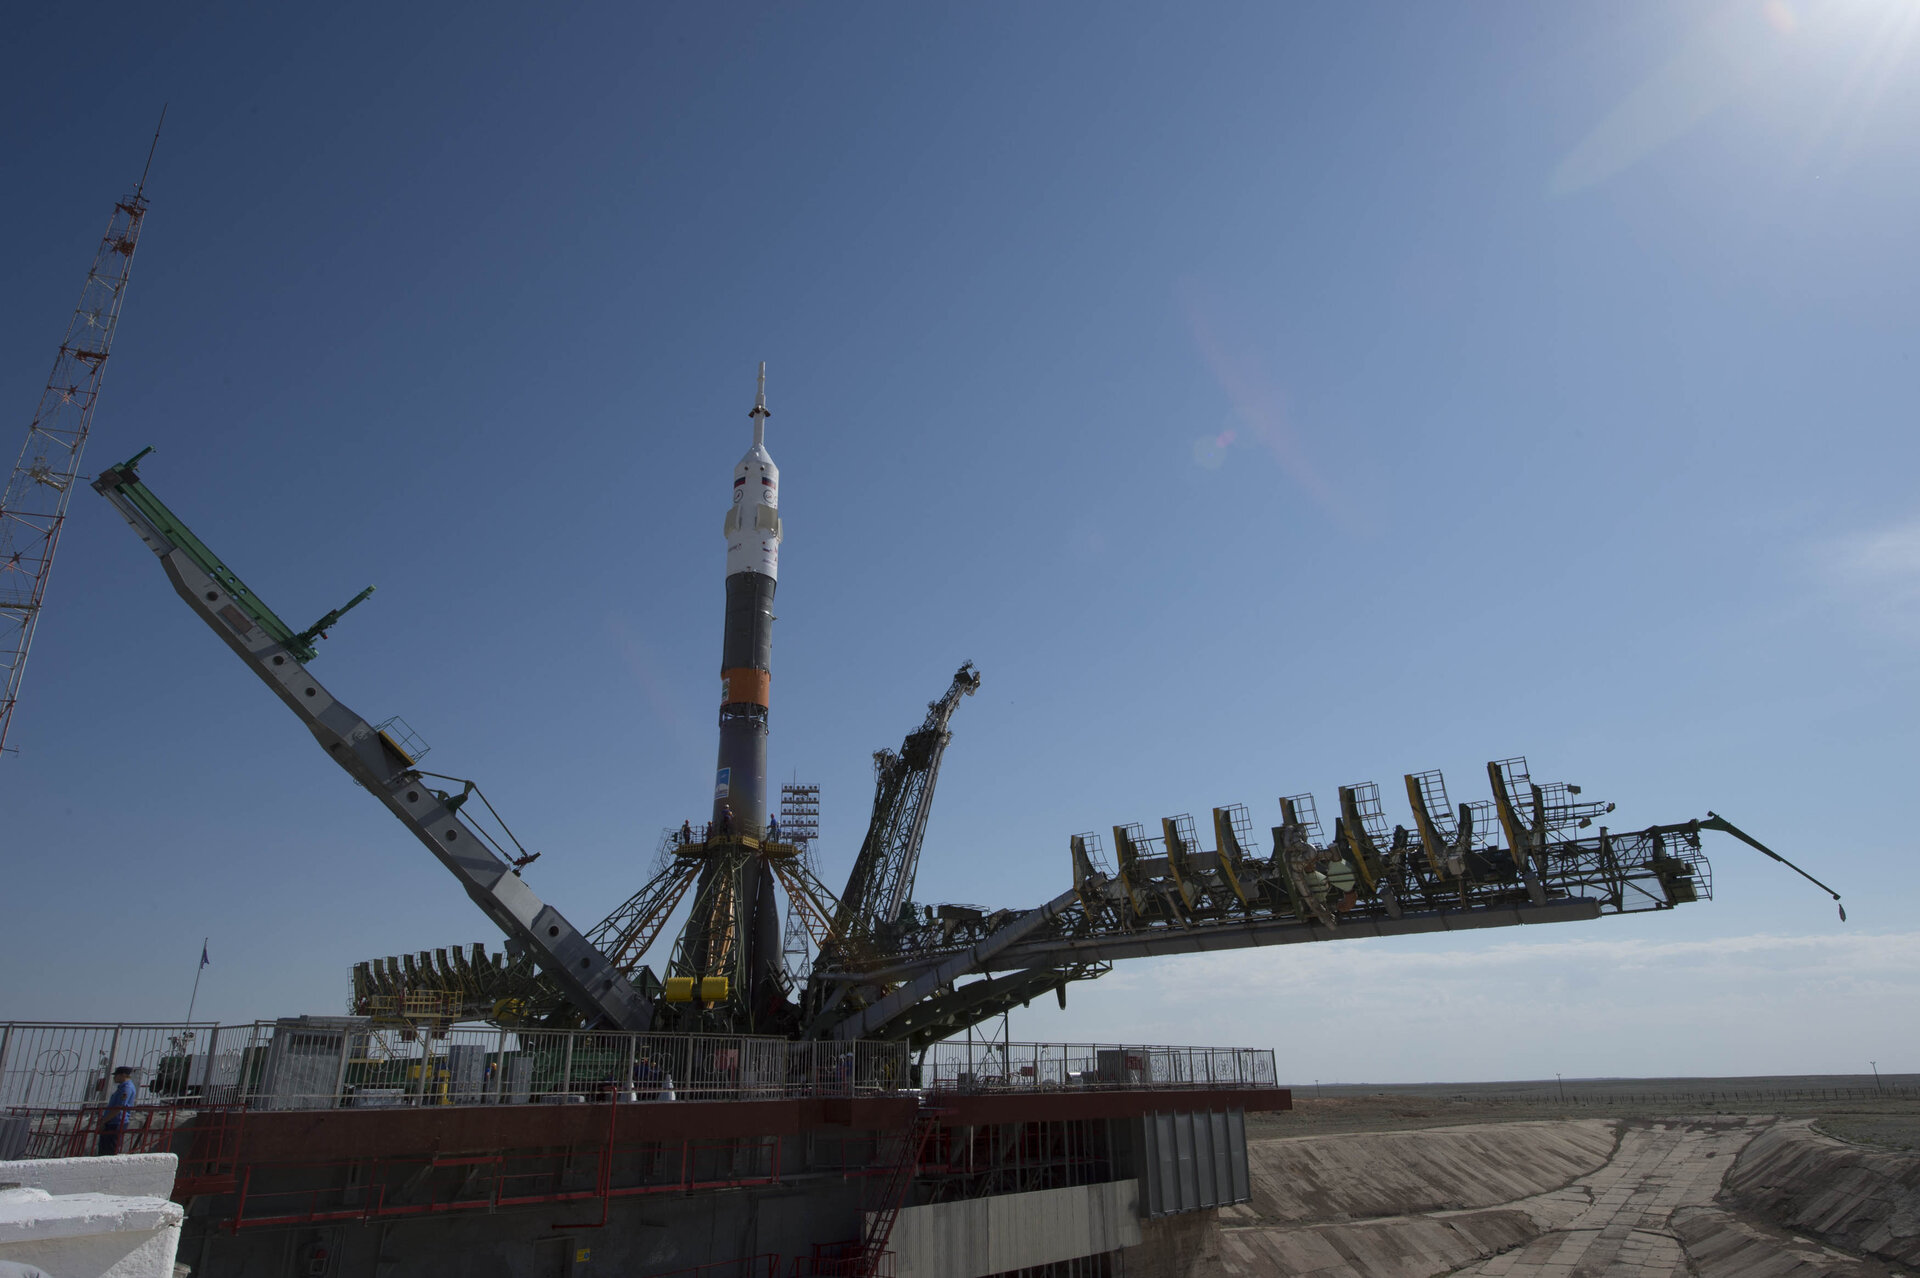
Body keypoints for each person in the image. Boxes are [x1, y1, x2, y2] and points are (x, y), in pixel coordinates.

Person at [98, 1066, 135, 1156]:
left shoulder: (127, 1088)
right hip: (111, 1122)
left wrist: (104, 1121)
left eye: (116, 1075)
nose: (114, 1078)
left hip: (116, 1123)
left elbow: (118, 1108)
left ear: (123, 1075)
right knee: (103, 1151)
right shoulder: (121, 1087)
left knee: (110, 1151)